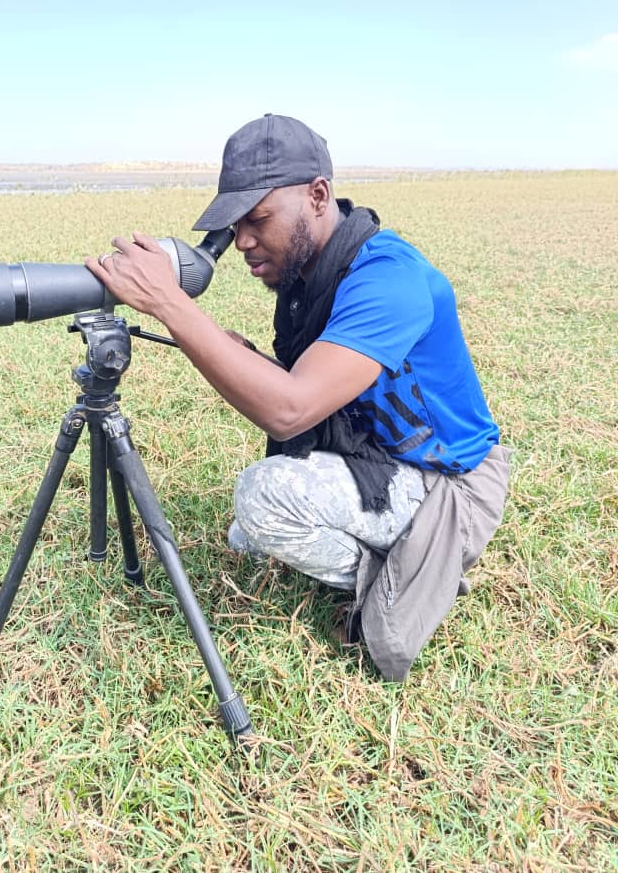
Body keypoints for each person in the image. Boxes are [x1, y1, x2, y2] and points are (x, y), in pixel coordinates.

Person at [85, 113, 511, 681]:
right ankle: (403, 554)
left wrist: (170, 303)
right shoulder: (311, 275)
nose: (241, 242)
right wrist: (228, 347)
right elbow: (309, 381)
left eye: (257, 219)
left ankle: (415, 567)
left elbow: (290, 408)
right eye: (235, 225)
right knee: (248, 536)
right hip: (379, 456)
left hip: (450, 482)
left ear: (317, 195)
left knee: (263, 499)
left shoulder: (390, 278)